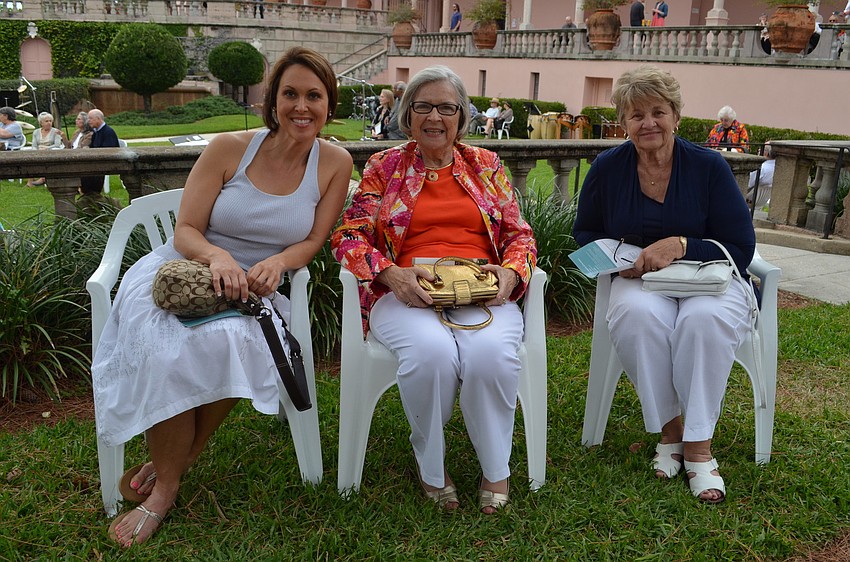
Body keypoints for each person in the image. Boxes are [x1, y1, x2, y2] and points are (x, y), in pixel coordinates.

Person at [92, 46, 353, 547]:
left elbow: (313, 239)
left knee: (239, 341)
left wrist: (280, 262)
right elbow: (186, 228)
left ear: (329, 104)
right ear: (272, 101)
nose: (301, 107)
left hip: (255, 288)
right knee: (168, 350)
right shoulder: (229, 148)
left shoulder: (335, 163)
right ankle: (167, 485)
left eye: (314, 96)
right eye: (290, 94)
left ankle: (170, 471)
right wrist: (218, 258)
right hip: (184, 272)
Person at [331, 65, 536, 514]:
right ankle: (432, 467)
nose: (435, 117)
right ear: (407, 114)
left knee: (490, 355)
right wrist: (391, 274)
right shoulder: (385, 167)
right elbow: (348, 237)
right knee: (431, 354)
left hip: (479, 287)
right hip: (405, 292)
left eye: (447, 107)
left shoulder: (486, 165)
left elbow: (520, 234)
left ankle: (495, 468)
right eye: (423, 106)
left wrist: (510, 274)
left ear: (462, 117)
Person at [573, 65, 756, 505]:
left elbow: (741, 247)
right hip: (640, 280)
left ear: (676, 115)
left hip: (710, 279)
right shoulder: (607, 167)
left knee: (703, 321)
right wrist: (616, 260)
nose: (648, 123)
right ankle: (671, 430)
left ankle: (698, 448)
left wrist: (681, 245)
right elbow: (584, 231)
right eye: (636, 115)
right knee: (637, 317)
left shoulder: (708, 167)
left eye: (658, 112)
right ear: (623, 121)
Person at [80, 109, 121, 194]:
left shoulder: (108, 132)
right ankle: (86, 193)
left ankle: (92, 193)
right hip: (96, 160)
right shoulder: (96, 132)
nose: (88, 121)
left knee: (88, 170)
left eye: (90, 118)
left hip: (106, 162)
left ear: (98, 119)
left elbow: (109, 151)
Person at [26, 112, 65, 186]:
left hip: (50, 152)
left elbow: (57, 145)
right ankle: (30, 182)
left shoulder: (56, 131)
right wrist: (36, 151)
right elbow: (34, 145)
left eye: (50, 121)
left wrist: (47, 148)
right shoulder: (36, 132)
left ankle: (42, 178)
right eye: (46, 121)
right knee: (30, 159)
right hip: (38, 152)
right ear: (41, 123)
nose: (49, 123)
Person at [748, 142, 774, 209]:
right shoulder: (778, 168)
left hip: (748, 200)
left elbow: (746, 184)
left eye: (761, 148)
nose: (759, 150)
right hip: (761, 202)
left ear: (766, 153)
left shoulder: (761, 168)